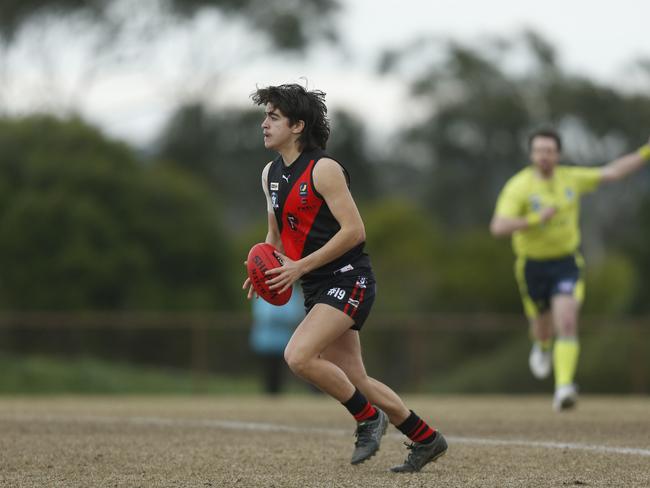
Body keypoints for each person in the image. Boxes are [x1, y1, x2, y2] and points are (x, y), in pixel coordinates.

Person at [242, 83, 447, 472]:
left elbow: (354, 231)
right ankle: (425, 438)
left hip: (350, 278)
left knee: (298, 355)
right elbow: (276, 235)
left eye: (273, 117)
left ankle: (367, 418)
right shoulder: (269, 173)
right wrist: (265, 269)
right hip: (319, 285)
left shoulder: (325, 169)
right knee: (356, 378)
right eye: (264, 116)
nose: (264, 124)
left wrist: (300, 266)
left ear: (298, 125)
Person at [490, 128, 650, 411]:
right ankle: (541, 346)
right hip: (532, 266)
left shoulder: (571, 179)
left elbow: (612, 172)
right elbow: (498, 226)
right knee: (542, 329)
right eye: (539, 150)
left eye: (549, 151)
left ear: (558, 154)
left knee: (566, 319)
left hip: (566, 263)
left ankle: (563, 387)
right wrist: (534, 219)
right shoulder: (519, 186)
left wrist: (646, 151)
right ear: (531, 154)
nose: (544, 156)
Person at [249, 286, 304, 395]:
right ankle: (269, 396)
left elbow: (295, 315)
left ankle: (277, 397)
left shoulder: (292, 293)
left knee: (280, 374)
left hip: (284, 343)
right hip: (265, 343)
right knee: (268, 373)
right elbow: (264, 316)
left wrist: (278, 317)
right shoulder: (263, 292)